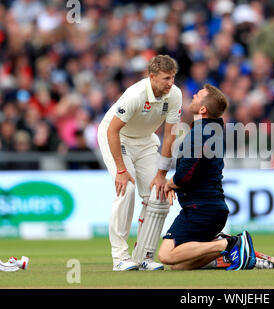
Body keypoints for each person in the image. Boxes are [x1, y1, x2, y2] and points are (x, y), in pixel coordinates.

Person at [97, 55, 182, 271]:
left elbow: (170, 134)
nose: (170, 83)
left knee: (158, 193)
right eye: (165, 78)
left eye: (172, 77)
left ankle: (144, 255)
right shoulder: (135, 94)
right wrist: (122, 170)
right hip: (118, 138)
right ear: (152, 77)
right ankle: (120, 258)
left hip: (145, 141)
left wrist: (162, 174)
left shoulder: (175, 95)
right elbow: (112, 130)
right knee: (127, 189)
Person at [158, 84, 256, 271]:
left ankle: (230, 245)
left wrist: (170, 184)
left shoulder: (200, 133)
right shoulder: (213, 131)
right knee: (180, 267)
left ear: (203, 109)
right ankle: (228, 249)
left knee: (166, 255)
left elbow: (185, 174)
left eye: (198, 95)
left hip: (201, 209)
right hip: (212, 209)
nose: (193, 95)